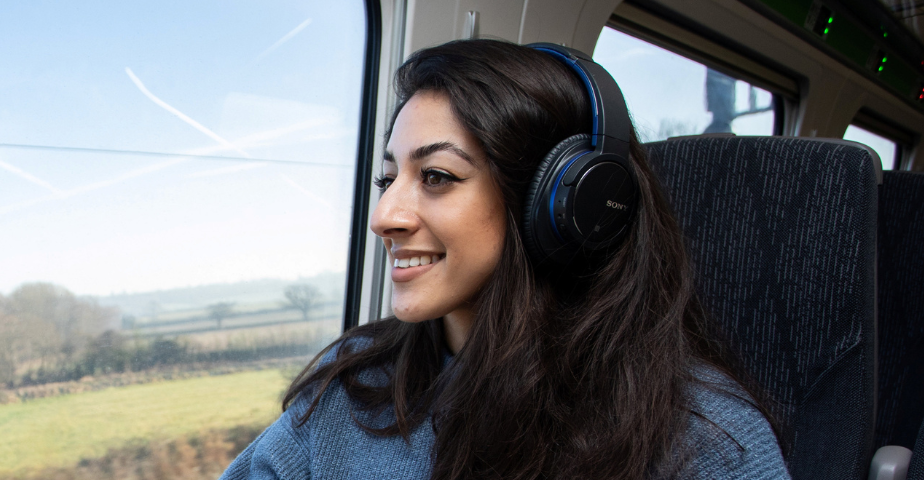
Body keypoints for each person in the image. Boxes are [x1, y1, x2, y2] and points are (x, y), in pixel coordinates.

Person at [219, 39, 788, 479]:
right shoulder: (354, 389)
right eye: (387, 179)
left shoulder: (704, 439)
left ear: (557, 204)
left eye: (436, 176)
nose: (385, 215)